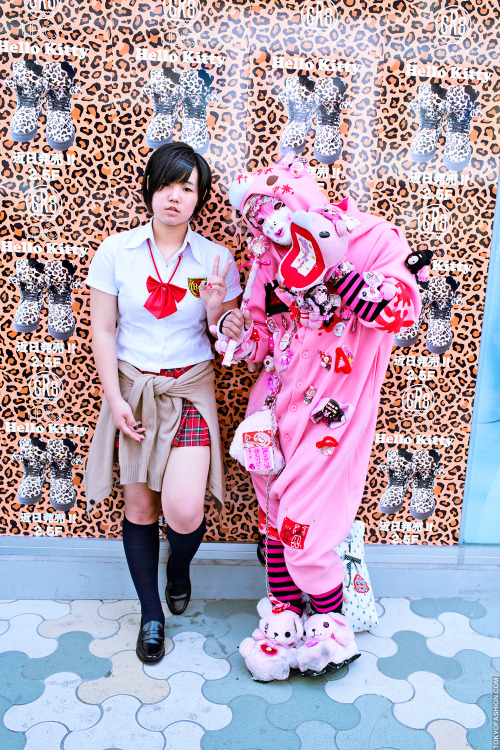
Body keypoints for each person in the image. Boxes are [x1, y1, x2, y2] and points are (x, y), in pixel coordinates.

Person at [215, 156, 421, 677]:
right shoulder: (266, 259)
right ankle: (283, 612)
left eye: (275, 212)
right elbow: (264, 334)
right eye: (256, 218)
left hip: (335, 414)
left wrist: (337, 273)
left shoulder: (372, 238)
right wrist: (241, 330)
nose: (266, 226)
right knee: (272, 510)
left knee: (304, 519)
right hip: (272, 407)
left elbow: (403, 308)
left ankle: (330, 624)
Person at [84, 142, 242, 664]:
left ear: (200, 198)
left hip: (188, 388)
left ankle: (179, 568)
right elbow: (104, 330)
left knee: (182, 508)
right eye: (167, 184)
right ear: (150, 188)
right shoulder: (115, 252)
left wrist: (221, 311)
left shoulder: (217, 260)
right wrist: (114, 395)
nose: (175, 197)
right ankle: (151, 615)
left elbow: (229, 341)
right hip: (132, 388)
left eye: (188, 187)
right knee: (139, 505)